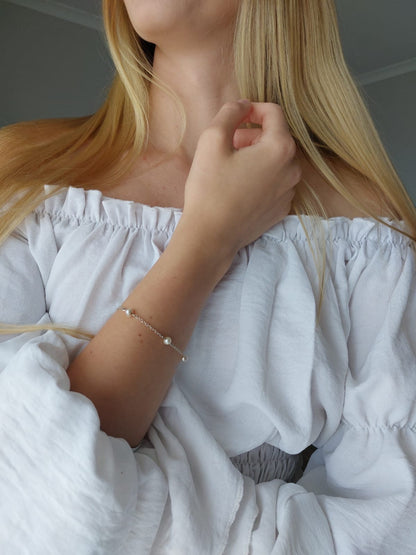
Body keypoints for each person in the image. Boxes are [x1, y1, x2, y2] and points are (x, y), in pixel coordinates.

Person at [0, 0, 415, 553]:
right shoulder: (23, 173)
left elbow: (391, 520)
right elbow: (16, 492)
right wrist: (208, 239)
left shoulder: (365, 229)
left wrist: (110, 501)